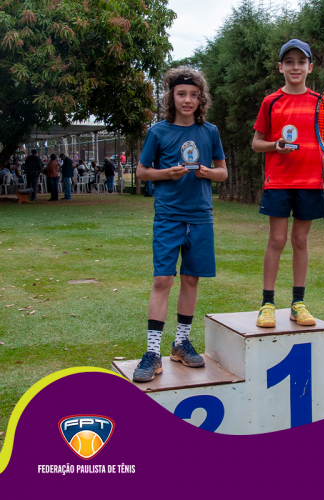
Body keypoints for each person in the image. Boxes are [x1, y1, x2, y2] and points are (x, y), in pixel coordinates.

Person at [132, 66, 227, 382]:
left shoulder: (210, 132)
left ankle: (181, 344)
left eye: (194, 95)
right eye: (182, 94)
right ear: (171, 97)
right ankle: (152, 353)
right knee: (162, 280)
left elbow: (223, 172)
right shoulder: (158, 132)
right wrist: (166, 174)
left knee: (191, 279)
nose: (188, 100)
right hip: (169, 217)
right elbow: (142, 171)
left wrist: (207, 172)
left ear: (201, 100)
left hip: (200, 217)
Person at [252, 39, 324, 328]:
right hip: (278, 181)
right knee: (277, 240)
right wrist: (275, 145)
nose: (295, 67)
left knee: (300, 240)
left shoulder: (320, 102)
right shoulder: (271, 102)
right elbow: (256, 143)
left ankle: (297, 304)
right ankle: (267, 304)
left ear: (310, 67)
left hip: (310, 182)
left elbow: (323, 144)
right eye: (289, 62)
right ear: (280, 67)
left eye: (301, 62)